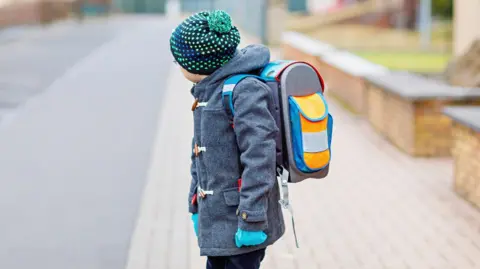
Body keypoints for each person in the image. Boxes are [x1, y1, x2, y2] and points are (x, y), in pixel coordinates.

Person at [169, 10, 285, 269]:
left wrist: (252, 218)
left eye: (180, 60)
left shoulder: (245, 91)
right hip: (218, 219)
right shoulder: (209, 91)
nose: (177, 66)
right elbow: (198, 154)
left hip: (242, 220)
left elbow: (259, 156)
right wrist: (195, 204)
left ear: (199, 63)